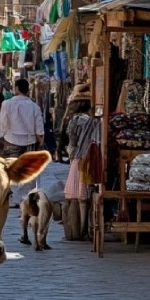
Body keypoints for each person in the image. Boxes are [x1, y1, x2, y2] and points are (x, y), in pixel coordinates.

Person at [0, 78, 47, 197]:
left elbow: (3, 122)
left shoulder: (6, 104)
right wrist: (41, 139)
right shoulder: (34, 106)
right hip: (30, 140)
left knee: (12, 168)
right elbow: (39, 126)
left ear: (17, 88)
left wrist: (1, 136)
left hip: (11, 139)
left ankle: (13, 197)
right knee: (28, 169)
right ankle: (26, 196)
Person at [63, 85, 100, 241]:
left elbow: (72, 143)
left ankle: (80, 229)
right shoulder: (94, 121)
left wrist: (71, 155)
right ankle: (86, 227)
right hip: (92, 158)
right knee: (86, 197)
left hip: (78, 158)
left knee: (79, 197)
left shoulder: (74, 121)